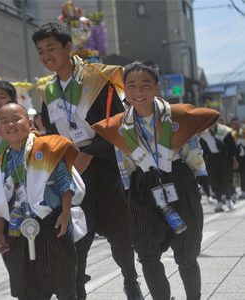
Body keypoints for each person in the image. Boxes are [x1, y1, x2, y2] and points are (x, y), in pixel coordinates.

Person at [92, 60, 219, 300]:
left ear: (157, 88)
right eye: (131, 86)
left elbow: (194, 149)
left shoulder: (178, 116)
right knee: (147, 253)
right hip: (142, 185)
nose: (138, 92)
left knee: (187, 251)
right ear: (125, 91)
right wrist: (131, 190)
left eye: (145, 85)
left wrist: (192, 182)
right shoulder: (121, 125)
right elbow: (124, 162)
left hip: (178, 178)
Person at [33, 22, 142, 299]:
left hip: (105, 169)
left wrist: (89, 153)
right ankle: (76, 291)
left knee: (120, 236)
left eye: (51, 49)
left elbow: (120, 128)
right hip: (71, 174)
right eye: (40, 51)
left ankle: (132, 283)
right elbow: (52, 132)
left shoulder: (98, 80)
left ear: (68, 48)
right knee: (75, 240)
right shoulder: (48, 90)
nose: (46, 56)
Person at [0, 102, 78, 299]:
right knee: (28, 289)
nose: (11, 124)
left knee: (64, 283)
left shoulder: (48, 147)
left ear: (29, 123)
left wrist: (65, 213)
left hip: (51, 224)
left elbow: (65, 181)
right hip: (18, 230)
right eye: (4, 121)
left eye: (16, 119)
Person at [200, 119, 239, 212]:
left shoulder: (224, 130)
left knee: (226, 178)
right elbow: (203, 150)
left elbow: (232, 146)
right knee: (214, 179)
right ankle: (219, 202)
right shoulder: (205, 133)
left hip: (224, 158)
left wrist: (234, 160)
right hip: (212, 159)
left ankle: (229, 200)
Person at [230, 117, 245, 199]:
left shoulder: (242, 132)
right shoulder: (229, 133)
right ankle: (233, 191)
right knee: (233, 175)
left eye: (238, 123)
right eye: (234, 124)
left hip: (242, 157)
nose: (236, 125)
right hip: (232, 157)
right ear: (231, 124)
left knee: (243, 174)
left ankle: (243, 190)